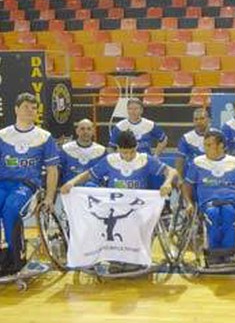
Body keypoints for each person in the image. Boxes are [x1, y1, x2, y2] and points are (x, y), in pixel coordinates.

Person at [0, 93, 59, 276]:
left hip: (27, 185)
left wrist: (49, 198)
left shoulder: (44, 137)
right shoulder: (3, 135)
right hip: (3, 183)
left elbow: (52, 170)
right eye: (26, 107)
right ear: (16, 109)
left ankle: (15, 257)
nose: (30, 111)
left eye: (34, 108)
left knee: (10, 209)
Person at [182, 129, 235, 262]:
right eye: (205, 145)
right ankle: (213, 253)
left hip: (230, 202)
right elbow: (186, 186)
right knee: (213, 214)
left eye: (210, 145)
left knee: (229, 214)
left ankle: (229, 253)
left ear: (221, 146)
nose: (206, 148)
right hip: (207, 203)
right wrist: (189, 203)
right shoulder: (197, 162)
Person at [60, 130, 177, 196]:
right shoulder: (110, 160)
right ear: (118, 148)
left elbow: (171, 171)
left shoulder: (144, 159)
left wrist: (167, 183)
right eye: (125, 152)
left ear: (136, 147)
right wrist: (71, 182)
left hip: (138, 205)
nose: (129, 156)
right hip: (115, 205)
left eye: (132, 152)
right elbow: (88, 174)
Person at [109, 98, 168, 190]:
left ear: (141, 110)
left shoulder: (149, 124)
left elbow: (163, 139)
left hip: (145, 162)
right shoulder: (120, 126)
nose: (133, 111)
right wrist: (116, 160)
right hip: (126, 162)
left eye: (136, 108)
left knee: (155, 182)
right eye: (130, 108)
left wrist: (156, 155)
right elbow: (111, 147)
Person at [59, 119, 106, 186]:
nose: (85, 132)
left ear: (93, 131)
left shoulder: (101, 151)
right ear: (77, 131)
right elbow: (57, 173)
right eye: (82, 129)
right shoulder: (65, 149)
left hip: (94, 193)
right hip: (70, 192)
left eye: (89, 129)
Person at [175, 107, 211, 178]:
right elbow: (179, 161)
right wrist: (180, 179)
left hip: (211, 175)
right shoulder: (186, 138)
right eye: (196, 119)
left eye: (202, 118)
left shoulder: (218, 135)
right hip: (192, 175)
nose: (199, 122)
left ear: (208, 120)